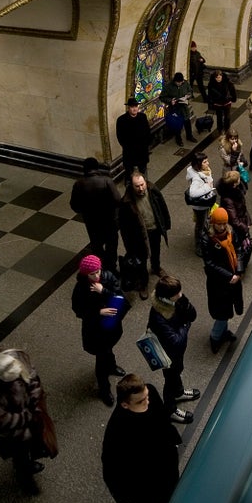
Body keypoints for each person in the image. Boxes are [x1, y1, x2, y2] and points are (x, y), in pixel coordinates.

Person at [102, 374, 182, 503]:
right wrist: (132, 494)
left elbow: (162, 418)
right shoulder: (117, 431)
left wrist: (172, 441)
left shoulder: (150, 392)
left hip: (166, 470)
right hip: (145, 488)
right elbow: (110, 469)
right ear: (124, 404)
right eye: (140, 402)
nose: (147, 402)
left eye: (146, 397)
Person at [0, 347, 55, 493]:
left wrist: (35, 396)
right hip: (13, 433)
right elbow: (0, 420)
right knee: (19, 454)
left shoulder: (14, 360)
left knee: (30, 445)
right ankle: (25, 479)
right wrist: (27, 416)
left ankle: (28, 463)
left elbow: (32, 377)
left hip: (28, 420)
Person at [71, 254, 127, 407]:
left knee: (108, 348)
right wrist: (98, 312)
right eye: (92, 273)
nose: (96, 276)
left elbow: (120, 297)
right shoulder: (81, 287)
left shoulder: (108, 277)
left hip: (111, 325)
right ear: (85, 274)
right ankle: (104, 389)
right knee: (101, 357)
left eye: (98, 271)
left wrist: (103, 291)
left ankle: (111, 365)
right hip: (95, 329)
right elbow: (78, 309)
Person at [149, 275, 200, 423]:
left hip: (176, 353)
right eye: (176, 294)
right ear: (166, 297)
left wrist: (185, 303)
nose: (181, 294)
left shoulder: (176, 299)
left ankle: (179, 392)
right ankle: (170, 409)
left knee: (177, 370)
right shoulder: (158, 317)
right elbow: (176, 341)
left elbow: (193, 315)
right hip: (167, 354)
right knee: (170, 379)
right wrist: (185, 326)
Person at [118, 171, 171, 297]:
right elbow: (124, 226)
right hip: (139, 236)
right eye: (137, 186)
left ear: (145, 182)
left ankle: (156, 267)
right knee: (141, 259)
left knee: (156, 250)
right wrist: (128, 243)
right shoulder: (126, 202)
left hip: (155, 229)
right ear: (132, 186)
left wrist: (166, 224)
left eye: (142, 185)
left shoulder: (153, 191)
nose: (141, 188)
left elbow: (162, 207)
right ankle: (143, 283)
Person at [199, 207, 244, 353]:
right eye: (219, 224)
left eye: (224, 223)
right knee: (222, 313)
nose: (223, 226)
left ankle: (222, 333)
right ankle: (215, 336)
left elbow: (239, 250)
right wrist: (230, 276)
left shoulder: (231, 233)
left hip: (232, 279)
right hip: (218, 283)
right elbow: (210, 264)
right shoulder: (207, 239)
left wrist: (238, 270)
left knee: (226, 310)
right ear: (213, 223)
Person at [70, 157, 121, 272]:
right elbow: (117, 199)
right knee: (111, 244)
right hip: (109, 220)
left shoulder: (78, 184)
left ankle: (99, 268)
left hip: (92, 222)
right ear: (97, 168)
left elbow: (74, 206)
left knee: (96, 245)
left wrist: (86, 210)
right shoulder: (106, 180)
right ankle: (112, 267)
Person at [216, 169, 252, 273]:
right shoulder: (228, 200)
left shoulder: (235, 192)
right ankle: (237, 268)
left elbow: (243, 209)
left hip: (242, 223)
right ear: (234, 184)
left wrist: (248, 221)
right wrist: (245, 227)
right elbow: (234, 220)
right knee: (239, 248)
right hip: (238, 228)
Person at [185, 152, 215, 252]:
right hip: (201, 206)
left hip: (205, 204)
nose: (208, 163)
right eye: (205, 162)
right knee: (200, 225)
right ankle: (199, 246)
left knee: (203, 223)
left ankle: (204, 241)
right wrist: (208, 187)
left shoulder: (204, 171)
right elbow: (193, 193)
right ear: (199, 164)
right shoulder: (197, 178)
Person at [115, 98, 151, 181]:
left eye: (136, 106)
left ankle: (144, 184)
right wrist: (127, 146)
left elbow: (148, 132)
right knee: (129, 173)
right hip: (129, 151)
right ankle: (130, 187)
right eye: (132, 107)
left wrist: (146, 145)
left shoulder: (142, 117)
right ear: (128, 108)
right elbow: (120, 136)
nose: (134, 108)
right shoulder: (121, 120)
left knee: (143, 171)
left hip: (142, 150)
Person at [159, 72, 196, 146]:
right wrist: (170, 101)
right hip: (175, 108)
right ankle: (178, 139)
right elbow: (162, 97)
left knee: (187, 121)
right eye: (178, 82)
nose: (180, 84)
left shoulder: (185, 83)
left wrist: (188, 96)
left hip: (184, 107)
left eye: (181, 82)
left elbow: (190, 91)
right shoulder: (169, 86)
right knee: (177, 124)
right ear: (175, 81)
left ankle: (189, 136)